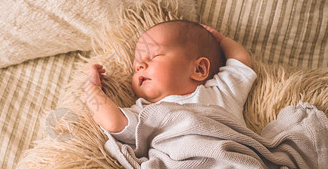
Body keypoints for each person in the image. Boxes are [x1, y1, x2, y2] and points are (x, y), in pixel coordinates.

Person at [84, 20, 257, 143]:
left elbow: (240, 59)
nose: (140, 66)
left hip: (237, 163)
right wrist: (92, 90)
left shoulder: (222, 91)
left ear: (199, 69)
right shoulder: (145, 112)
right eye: (136, 65)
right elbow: (113, 123)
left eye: (154, 56)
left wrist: (219, 39)